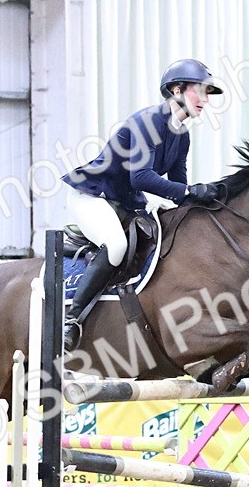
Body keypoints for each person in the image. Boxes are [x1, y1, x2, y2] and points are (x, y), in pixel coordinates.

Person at [60, 58, 226, 350]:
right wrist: (190, 191)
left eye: (208, 94)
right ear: (176, 89)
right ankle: (71, 320)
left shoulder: (181, 136)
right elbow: (142, 177)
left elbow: (178, 185)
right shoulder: (147, 121)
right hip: (94, 196)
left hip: (127, 203)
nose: (205, 100)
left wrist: (203, 201)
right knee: (117, 246)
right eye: (199, 91)